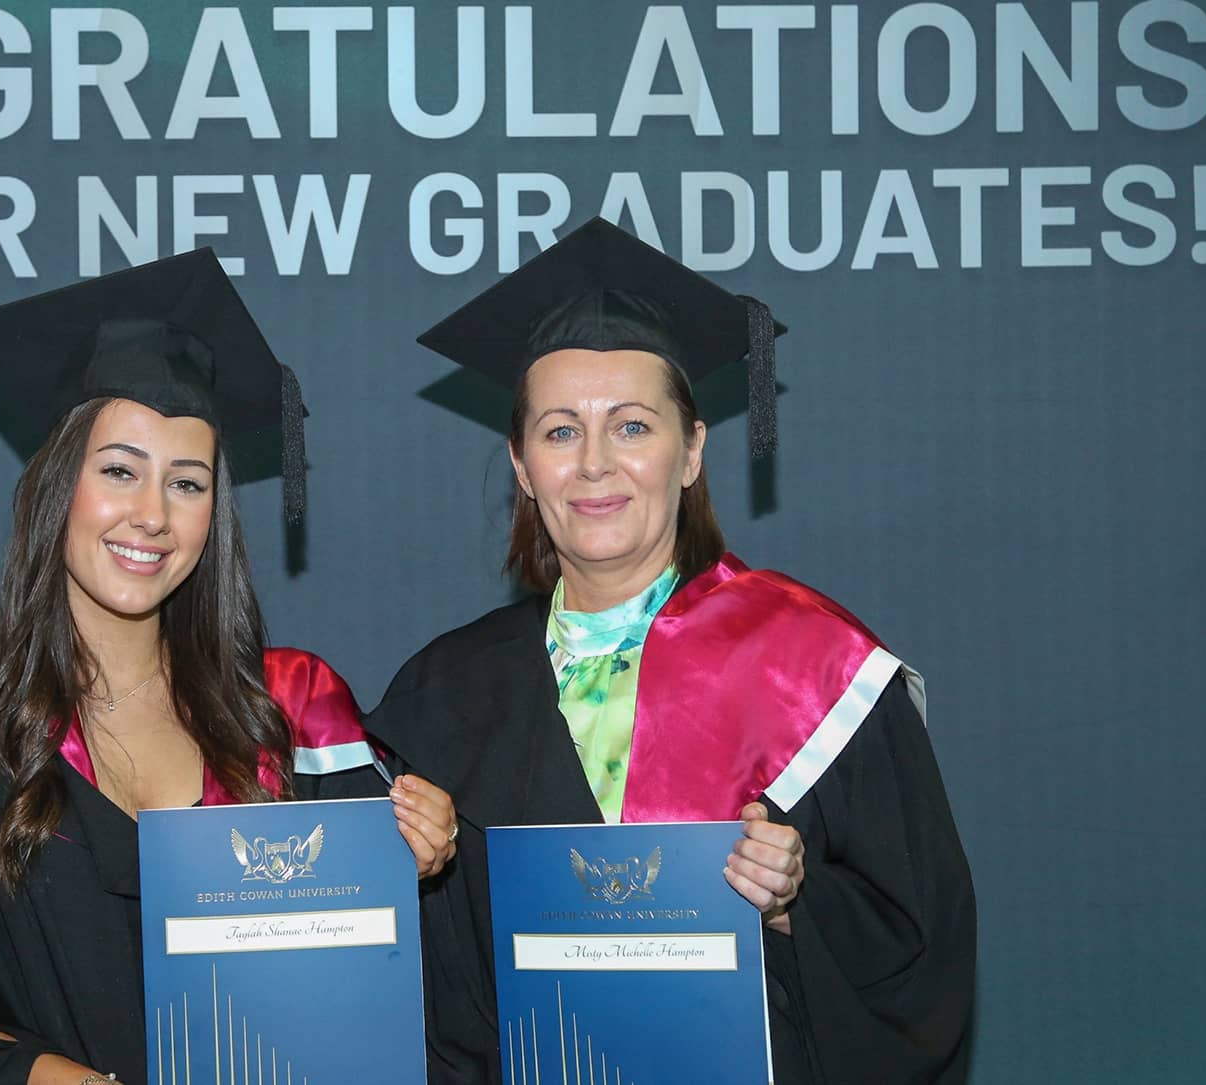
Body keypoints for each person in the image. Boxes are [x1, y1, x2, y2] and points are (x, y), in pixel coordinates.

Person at [0, 250, 459, 1085]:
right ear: (60, 486)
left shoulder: (293, 718)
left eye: (187, 483)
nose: (152, 514)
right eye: (120, 470)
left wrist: (410, 860)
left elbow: (371, 994)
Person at [366, 219, 976, 1084]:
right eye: (560, 431)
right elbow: (424, 996)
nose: (594, 464)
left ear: (691, 450)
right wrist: (399, 863)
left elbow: (921, 952)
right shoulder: (446, 694)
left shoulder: (809, 666)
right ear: (522, 464)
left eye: (632, 426)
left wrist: (796, 904)